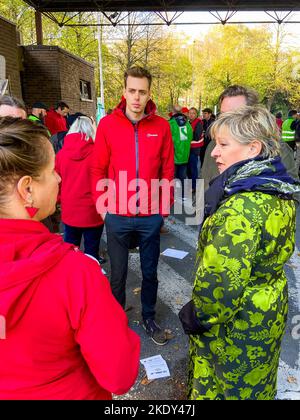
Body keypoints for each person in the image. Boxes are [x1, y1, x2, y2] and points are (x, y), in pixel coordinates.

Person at [0, 117, 140, 400]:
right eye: (52, 170)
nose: (59, 177)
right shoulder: (75, 273)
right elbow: (120, 374)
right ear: (27, 189)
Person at [185, 106, 300, 400]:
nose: (214, 152)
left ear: (253, 148)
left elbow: (219, 294)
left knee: (225, 390)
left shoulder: (239, 208)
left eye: (224, 144)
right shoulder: (277, 188)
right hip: (268, 312)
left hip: (236, 329)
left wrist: (196, 317)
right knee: (258, 386)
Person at [91, 66, 174, 346]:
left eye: (142, 91)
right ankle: (116, 319)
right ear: (124, 92)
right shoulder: (108, 125)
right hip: (117, 214)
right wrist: (103, 210)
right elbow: (97, 169)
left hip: (150, 215)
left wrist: (163, 210)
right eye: (131, 91)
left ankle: (149, 317)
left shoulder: (161, 126)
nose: (136, 97)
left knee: (150, 272)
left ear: (149, 93)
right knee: (118, 274)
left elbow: (167, 170)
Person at [201, 86, 298, 191]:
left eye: (236, 114)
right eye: (223, 115)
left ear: (252, 114)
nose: (226, 121)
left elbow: (293, 192)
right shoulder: (213, 147)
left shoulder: (278, 149)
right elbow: (203, 183)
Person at [56, 116, 106, 265]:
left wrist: (59, 200)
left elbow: (56, 182)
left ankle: (70, 280)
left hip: (70, 209)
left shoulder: (60, 155)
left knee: (70, 249)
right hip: (93, 210)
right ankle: (92, 273)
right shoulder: (98, 154)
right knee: (92, 250)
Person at [169, 105, 193, 199]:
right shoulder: (188, 124)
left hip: (173, 156)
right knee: (182, 176)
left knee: (172, 176)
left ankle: (172, 195)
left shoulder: (170, 124)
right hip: (184, 156)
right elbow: (190, 138)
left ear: (173, 112)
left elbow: (167, 140)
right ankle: (183, 195)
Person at [188, 107, 204, 193]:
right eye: (190, 113)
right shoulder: (188, 122)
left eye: (193, 113)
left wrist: (187, 137)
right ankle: (190, 185)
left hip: (195, 149)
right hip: (188, 148)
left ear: (196, 114)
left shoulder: (198, 123)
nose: (191, 114)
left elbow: (197, 137)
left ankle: (194, 187)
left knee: (193, 168)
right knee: (189, 169)